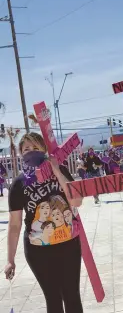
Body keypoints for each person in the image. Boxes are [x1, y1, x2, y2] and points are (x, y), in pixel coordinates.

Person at [4, 132, 84, 313]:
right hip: (38, 250)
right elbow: (15, 225)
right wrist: (10, 260)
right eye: (27, 149)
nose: (31, 152)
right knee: (53, 299)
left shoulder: (61, 171)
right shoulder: (18, 184)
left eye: (36, 148)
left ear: (44, 150)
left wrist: (56, 170)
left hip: (68, 243)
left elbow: (77, 201)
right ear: (20, 154)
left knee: (72, 297)